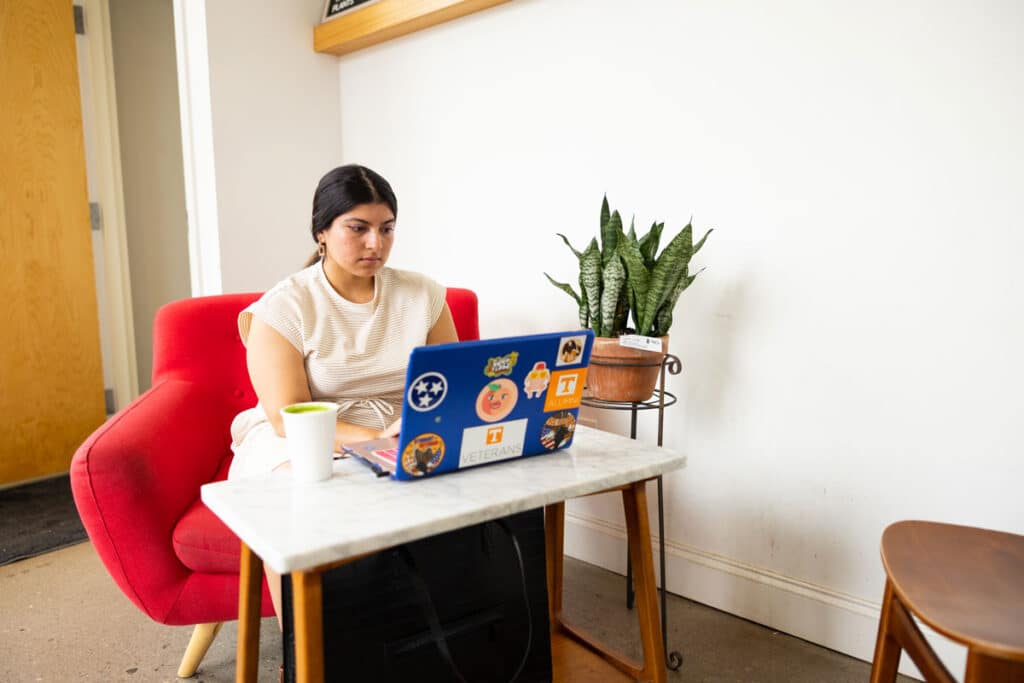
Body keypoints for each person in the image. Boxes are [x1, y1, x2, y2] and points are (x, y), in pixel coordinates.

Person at [227, 164, 458, 621]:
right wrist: (378, 443)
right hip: (302, 434)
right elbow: (286, 416)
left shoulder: (423, 294)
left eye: (386, 229)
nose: (376, 243)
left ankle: (434, 629)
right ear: (322, 233)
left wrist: (411, 427)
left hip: (396, 425)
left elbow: (448, 380)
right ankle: (305, 653)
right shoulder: (284, 307)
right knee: (298, 496)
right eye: (359, 228)